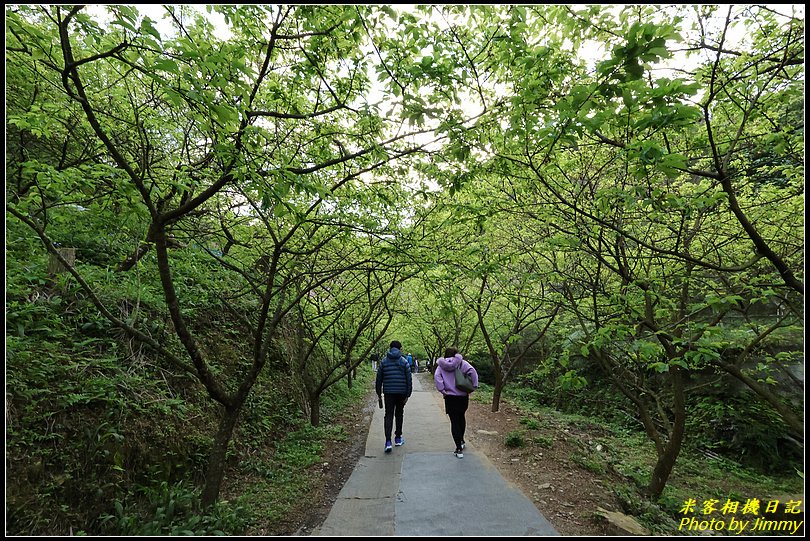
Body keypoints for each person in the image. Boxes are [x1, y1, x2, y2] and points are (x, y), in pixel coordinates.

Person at [434, 347, 478, 459]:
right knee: (461, 417)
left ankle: (458, 448)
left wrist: (443, 390)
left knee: (454, 421)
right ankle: (462, 440)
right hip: (462, 396)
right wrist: (473, 386)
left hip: (450, 397)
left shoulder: (441, 366)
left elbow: (437, 378)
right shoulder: (462, 363)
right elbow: (472, 372)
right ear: (456, 354)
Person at [375, 340, 413, 453]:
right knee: (399, 414)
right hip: (401, 393)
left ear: (390, 348)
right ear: (400, 349)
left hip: (389, 393)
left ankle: (387, 442)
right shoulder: (404, 362)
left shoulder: (384, 362)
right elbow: (409, 380)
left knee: (389, 415)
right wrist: (408, 394)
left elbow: (378, 379)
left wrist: (378, 393)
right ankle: (398, 438)